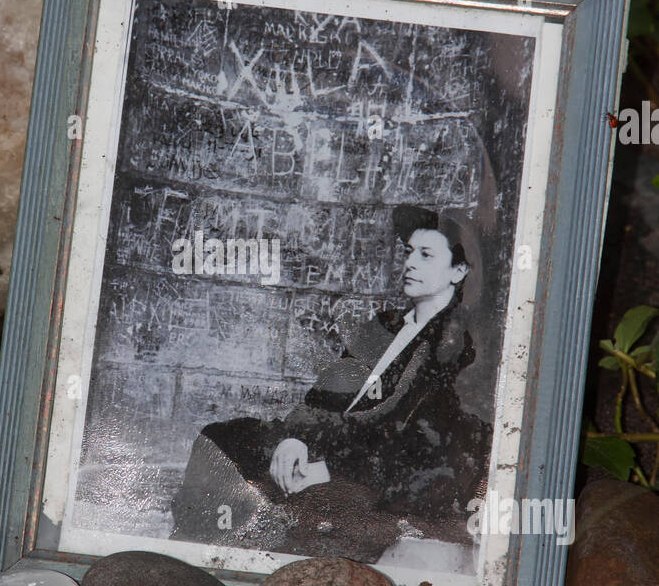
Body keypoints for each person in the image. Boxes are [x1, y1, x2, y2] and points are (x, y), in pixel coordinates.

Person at [171, 206, 492, 541]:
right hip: (331, 439)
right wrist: (295, 437)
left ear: (458, 270)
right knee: (223, 437)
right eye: (410, 252)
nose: (410, 263)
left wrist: (326, 468)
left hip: (380, 463)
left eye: (426, 255)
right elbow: (327, 393)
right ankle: (191, 545)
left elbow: (421, 442)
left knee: (303, 503)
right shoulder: (383, 326)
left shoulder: (455, 346)